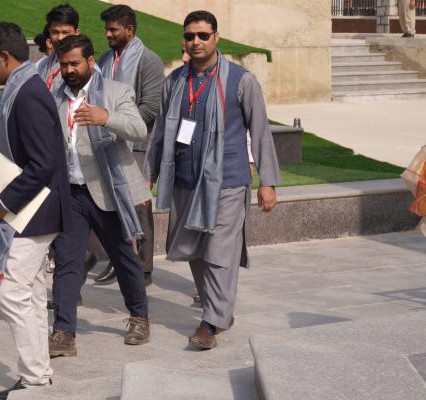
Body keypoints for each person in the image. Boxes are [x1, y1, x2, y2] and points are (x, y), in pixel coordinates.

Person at [148, 11, 281, 350]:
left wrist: (267, 181)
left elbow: (260, 131)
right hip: (185, 180)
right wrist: (148, 176)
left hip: (228, 181)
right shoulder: (175, 81)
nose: (196, 42)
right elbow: (160, 132)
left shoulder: (241, 80)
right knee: (194, 249)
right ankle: (220, 310)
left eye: (203, 35)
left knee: (220, 251)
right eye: (189, 36)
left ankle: (210, 322)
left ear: (216, 38)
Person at [0, 22, 70, 400]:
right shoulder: (23, 86)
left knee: (12, 293)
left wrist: (5, 201)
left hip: (35, 211)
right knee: (28, 292)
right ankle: (38, 376)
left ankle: (35, 379)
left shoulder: (27, 92)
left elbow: (43, 163)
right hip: (32, 209)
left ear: (4, 57)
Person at [45, 34, 153, 359]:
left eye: (75, 63)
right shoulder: (54, 96)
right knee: (67, 262)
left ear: (91, 61)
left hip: (107, 191)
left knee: (123, 257)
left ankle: (139, 316)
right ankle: (64, 332)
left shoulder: (116, 92)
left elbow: (139, 129)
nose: (69, 70)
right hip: (70, 193)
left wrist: (106, 118)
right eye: (64, 64)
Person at [94, 4, 166, 285]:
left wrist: (118, 123)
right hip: (106, 139)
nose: (108, 34)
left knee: (139, 204)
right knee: (111, 202)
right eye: (106, 29)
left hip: (137, 143)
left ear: (130, 30)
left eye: (113, 30)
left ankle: (143, 268)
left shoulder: (149, 60)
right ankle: (119, 260)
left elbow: (151, 107)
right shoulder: (104, 59)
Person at [37, 4, 80, 91]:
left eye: (65, 32)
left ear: (76, 33)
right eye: (55, 32)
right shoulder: (42, 65)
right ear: (49, 32)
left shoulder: (87, 69)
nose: (60, 38)